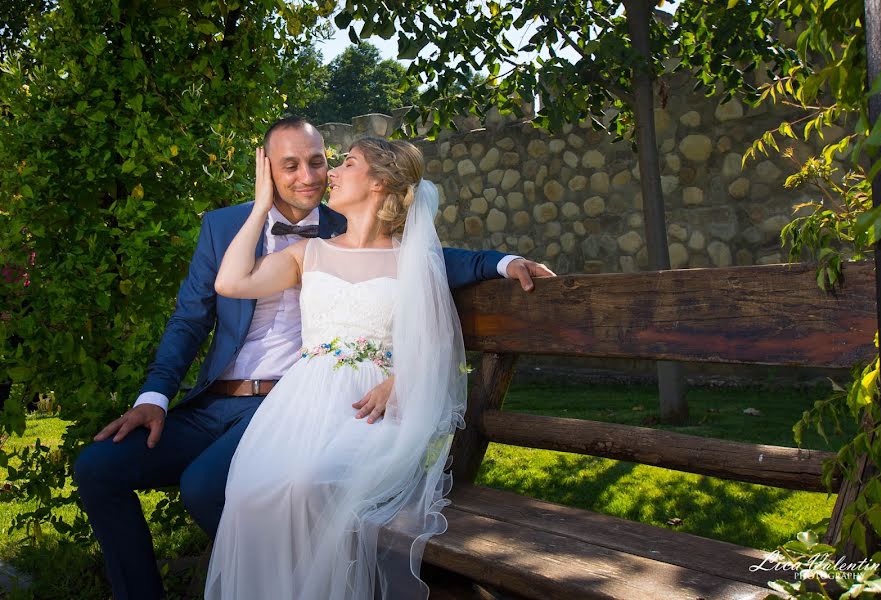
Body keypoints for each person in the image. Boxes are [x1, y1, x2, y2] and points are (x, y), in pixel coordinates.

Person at [73, 117, 554, 600]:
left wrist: (502, 261)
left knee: (207, 488)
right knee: (97, 469)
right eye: (291, 165)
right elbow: (191, 317)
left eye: (321, 162)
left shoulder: (345, 226)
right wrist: (153, 396)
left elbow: (434, 259)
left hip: (295, 402)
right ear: (265, 168)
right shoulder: (228, 227)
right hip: (217, 402)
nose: (310, 176)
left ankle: (297, 582)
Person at [206, 136, 470, 599]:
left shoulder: (412, 261)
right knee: (252, 493)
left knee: (313, 484)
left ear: (380, 182)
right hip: (301, 404)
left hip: (370, 407)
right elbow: (230, 282)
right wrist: (260, 204)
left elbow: (437, 344)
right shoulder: (308, 253)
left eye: (347, 163)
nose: (331, 173)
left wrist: (402, 380)